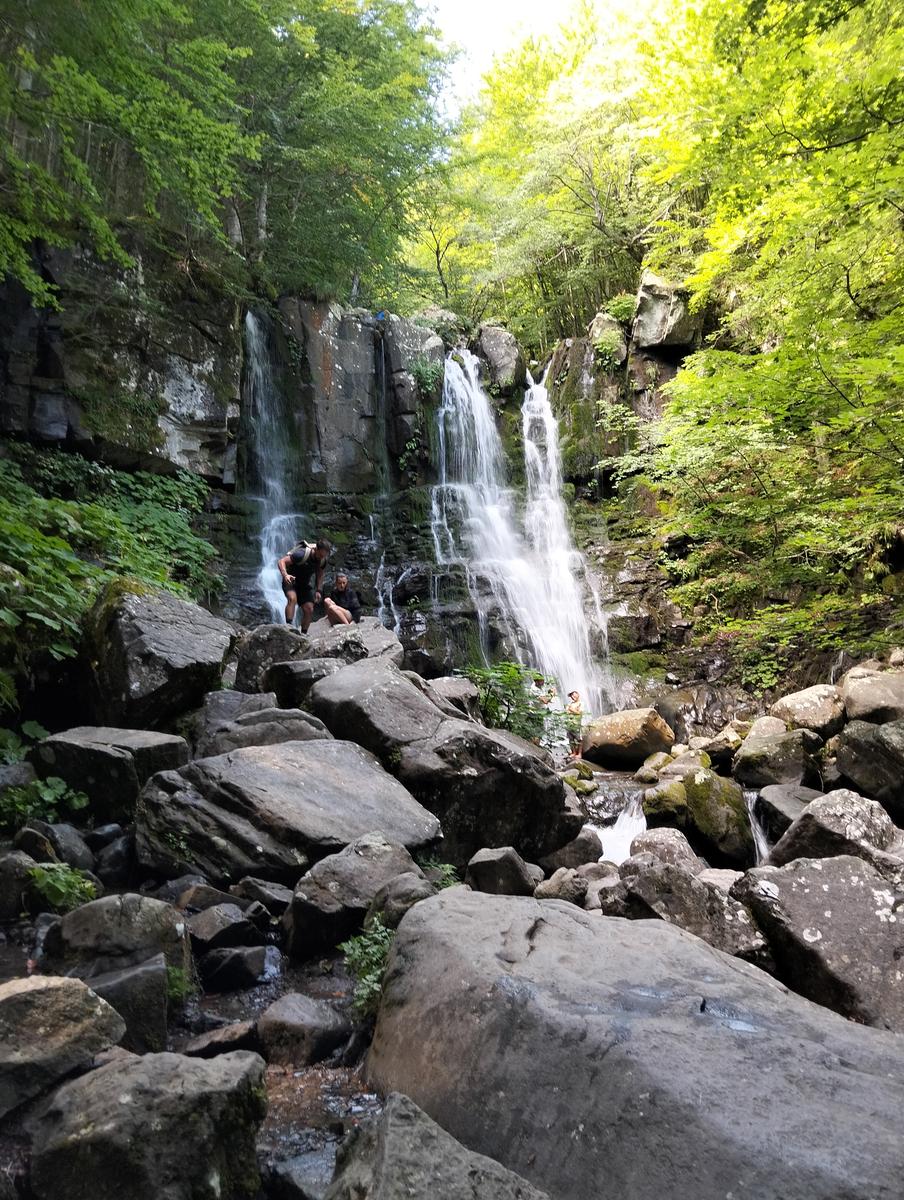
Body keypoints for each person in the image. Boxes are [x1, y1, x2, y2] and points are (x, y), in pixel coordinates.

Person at [278, 538, 331, 630]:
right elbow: (281, 561)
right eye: (320, 554)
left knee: (309, 609)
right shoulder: (301, 554)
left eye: (324, 555)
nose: (322, 557)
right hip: (291, 581)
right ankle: (288, 628)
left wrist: (319, 590)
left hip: (304, 584)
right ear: (316, 549)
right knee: (292, 598)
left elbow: (320, 574)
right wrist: (285, 575)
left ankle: (303, 634)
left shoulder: (322, 560)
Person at [565, 689, 584, 756]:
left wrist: (572, 710)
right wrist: (573, 710)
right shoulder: (570, 704)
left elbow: (580, 713)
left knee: (579, 739)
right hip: (569, 723)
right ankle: (573, 752)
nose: (572, 697)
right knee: (570, 739)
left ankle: (579, 753)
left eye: (573, 694)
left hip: (576, 724)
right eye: (571, 696)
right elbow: (567, 712)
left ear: (577, 694)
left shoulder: (581, 703)